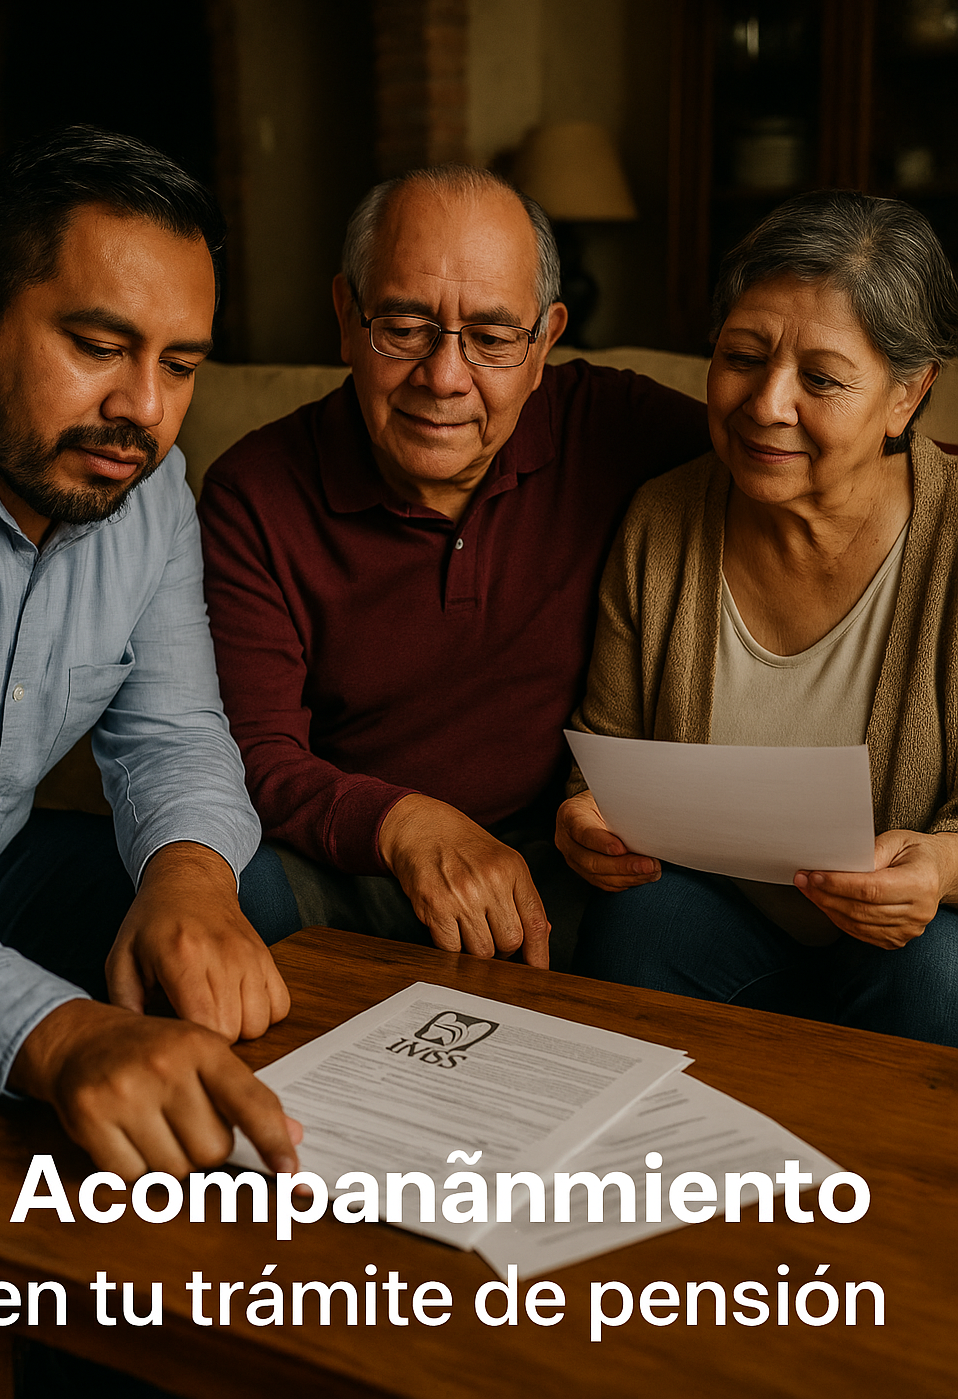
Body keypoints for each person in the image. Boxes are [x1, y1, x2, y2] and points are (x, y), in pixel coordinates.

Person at [199, 165, 711, 971]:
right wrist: (405, 824)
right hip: (349, 857)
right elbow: (251, 751)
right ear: (345, 316)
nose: (443, 378)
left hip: (558, 861)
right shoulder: (253, 493)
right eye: (403, 327)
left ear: (542, 343)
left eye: (493, 337)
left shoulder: (614, 427)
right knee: (229, 887)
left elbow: (807, 459)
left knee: (675, 916)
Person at [0, 126, 302, 1178]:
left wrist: (188, 881)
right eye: (98, 346)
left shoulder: (146, 491)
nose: (142, 410)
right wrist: (56, 1034)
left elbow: (173, 733)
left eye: (178, 364)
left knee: (240, 899)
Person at [556, 190, 958, 1046]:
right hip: (725, 922)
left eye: (821, 379)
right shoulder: (662, 519)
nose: (767, 404)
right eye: (743, 356)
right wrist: (586, 821)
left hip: (907, 938)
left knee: (940, 972)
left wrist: (943, 867)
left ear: (907, 396)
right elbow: (605, 750)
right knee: (637, 925)